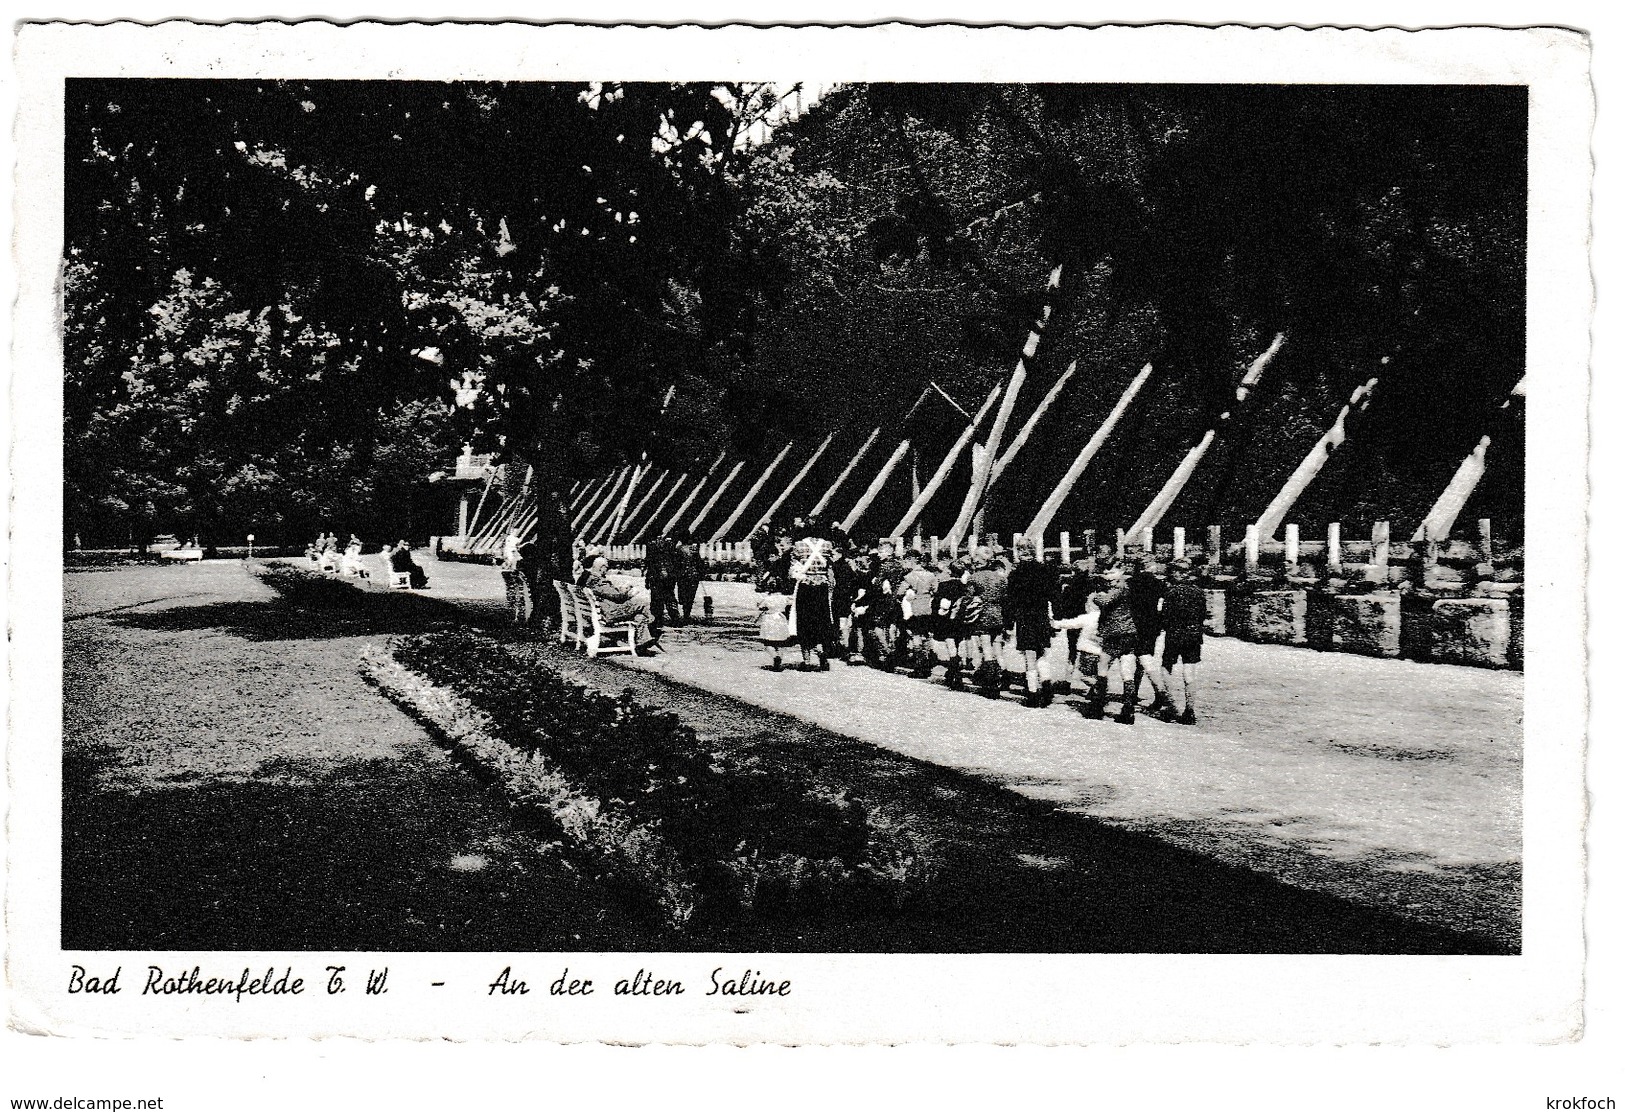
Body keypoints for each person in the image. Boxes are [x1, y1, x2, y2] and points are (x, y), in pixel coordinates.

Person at [1060, 560, 1140, 723]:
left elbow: (1103, 602)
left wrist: (1094, 597)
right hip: (1128, 633)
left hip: (1114, 634)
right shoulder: (1126, 588)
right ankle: (1127, 708)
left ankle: (1098, 706)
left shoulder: (1120, 589)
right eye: (1106, 573)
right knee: (1127, 671)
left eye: (1112, 573)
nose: (1108, 577)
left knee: (1103, 669)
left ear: (1122, 571)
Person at [1004, 539, 1061, 706]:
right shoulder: (1045, 570)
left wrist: (1008, 624)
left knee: (1029, 655)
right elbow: (1055, 595)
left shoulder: (1015, 574)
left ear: (1019, 552)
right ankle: (1047, 684)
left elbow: (1011, 601)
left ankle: (1033, 693)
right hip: (1041, 614)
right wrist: (1056, 618)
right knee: (1042, 651)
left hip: (1024, 617)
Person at [1159, 558, 1207, 724]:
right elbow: (1202, 615)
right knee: (1189, 672)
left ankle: (1171, 706)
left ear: (1178, 573)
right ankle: (1190, 710)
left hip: (1174, 634)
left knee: (1166, 667)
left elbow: (1165, 615)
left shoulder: (1171, 592)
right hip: (1194, 635)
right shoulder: (1199, 592)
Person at [580, 554, 660, 649]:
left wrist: (622, 590)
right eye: (607, 568)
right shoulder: (597, 581)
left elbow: (610, 593)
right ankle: (653, 625)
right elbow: (617, 596)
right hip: (610, 613)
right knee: (641, 602)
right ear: (602, 568)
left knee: (640, 616)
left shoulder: (591, 579)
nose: (607, 570)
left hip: (604, 611)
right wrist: (628, 592)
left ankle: (643, 642)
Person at [1127, 556, 1173, 719]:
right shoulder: (1159, 584)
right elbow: (1163, 605)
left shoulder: (1131, 582)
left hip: (1134, 624)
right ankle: (1154, 693)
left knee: (1134, 659)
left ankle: (1135, 692)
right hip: (1152, 626)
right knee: (1146, 658)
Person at [789, 534, 835, 671]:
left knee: (804, 621)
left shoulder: (798, 545)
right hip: (822, 587)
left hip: (805, 586)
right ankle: (822, 652)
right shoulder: (828, 545)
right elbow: (830, 569)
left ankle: (807, 660)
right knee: (822, 621)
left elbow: (792, 570)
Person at [966, 545, 1008, 697]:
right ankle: (1003, 676)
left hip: (983, 614)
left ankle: (990, 684)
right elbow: (1005, 597)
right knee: (997, 648)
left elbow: (969, 598)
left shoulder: (974, 578)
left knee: (986, 649)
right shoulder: (1001, 578)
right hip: (998, 614)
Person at [899, 549, 939, 677]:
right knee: (926, 636)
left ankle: (919, 665)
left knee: (916, 636)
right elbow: (936, 591)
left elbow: (900, 592)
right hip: (927, 608)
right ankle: (927, 664)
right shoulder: (931, 576)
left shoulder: (909, 577)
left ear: (912, 561)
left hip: (915, 608)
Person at [756, 576, 794, 672]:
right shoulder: (785, 598)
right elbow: (792, 603)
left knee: (768, 642)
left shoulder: (767, 598)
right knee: (780, 643)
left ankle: (775, 656)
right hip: (780, 618)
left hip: (769, 619)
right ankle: (779, 660)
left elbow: (760, 606)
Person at [645, 534, 680, 629]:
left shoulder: (651, 546)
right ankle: (675, 618)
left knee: (656, 598)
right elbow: (675, 561)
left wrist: (647, 580)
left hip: (656, 577)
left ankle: (658, 619)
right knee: (670, 597)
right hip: (669, 576)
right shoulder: (670, 545)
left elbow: (649, 564)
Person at [673, 532, 704, 623]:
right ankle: (687, 613)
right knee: (691, 594)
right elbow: (699, 562)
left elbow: (676, 563)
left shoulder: (678, 549)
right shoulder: (694, 549)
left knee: (682, 592)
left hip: (682, 575)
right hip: (694, 575)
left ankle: (684, 607)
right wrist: (701, 573)